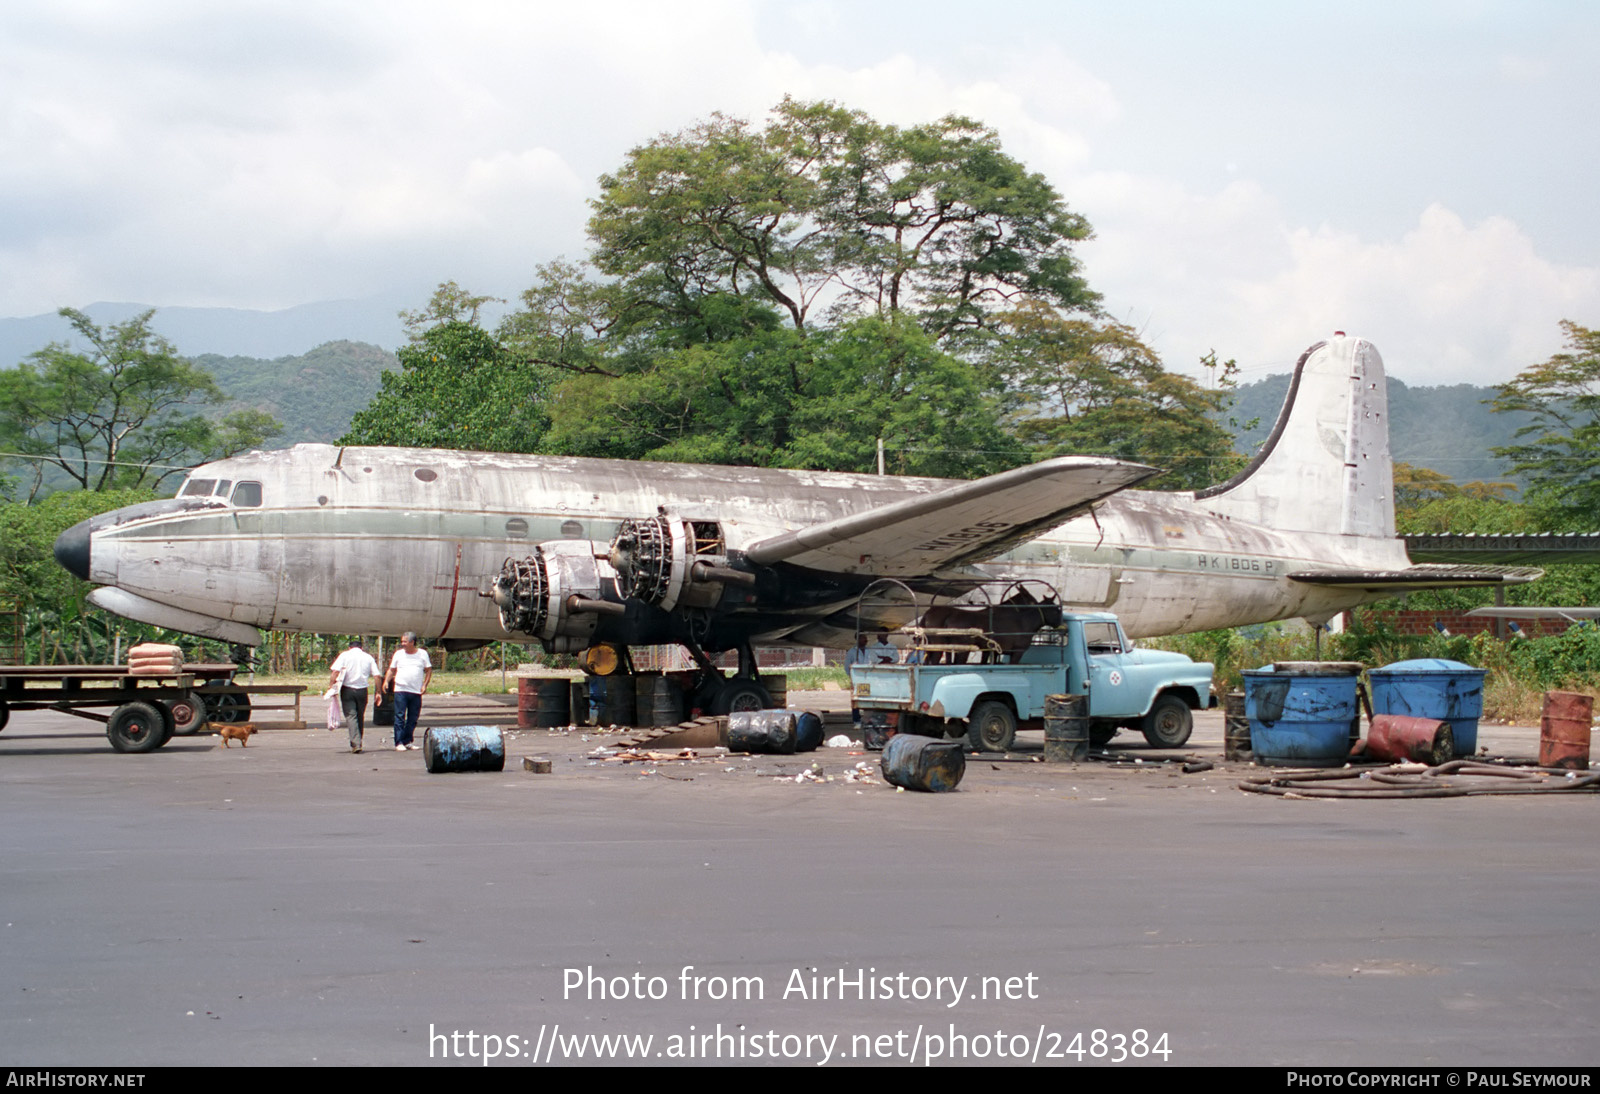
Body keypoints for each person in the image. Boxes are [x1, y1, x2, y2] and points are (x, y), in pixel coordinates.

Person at [328, 638, 380, 753]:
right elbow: (377, 676)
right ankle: (358, 740)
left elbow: (335, 672)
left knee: (351, 716)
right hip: (362, 691)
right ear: (361, 648)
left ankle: (356, 743)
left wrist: (331, 686)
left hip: (347, 690)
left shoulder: (344, 655)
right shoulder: (368, 657)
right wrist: (378, 692)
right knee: (360, 715)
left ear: (349, 648)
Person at [383, 631, 433, 751]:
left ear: (412, 642)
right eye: (402, 641)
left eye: (405, 641)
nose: (402, 644)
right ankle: (398, 742)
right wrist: (386, 681)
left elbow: (428, 670)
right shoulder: (398, 654)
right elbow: (392, 669)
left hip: (415, 691)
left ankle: (407, 741)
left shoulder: (422, 654)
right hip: (401, 689)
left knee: (413, 718)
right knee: (399, 716)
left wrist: (425, 685)